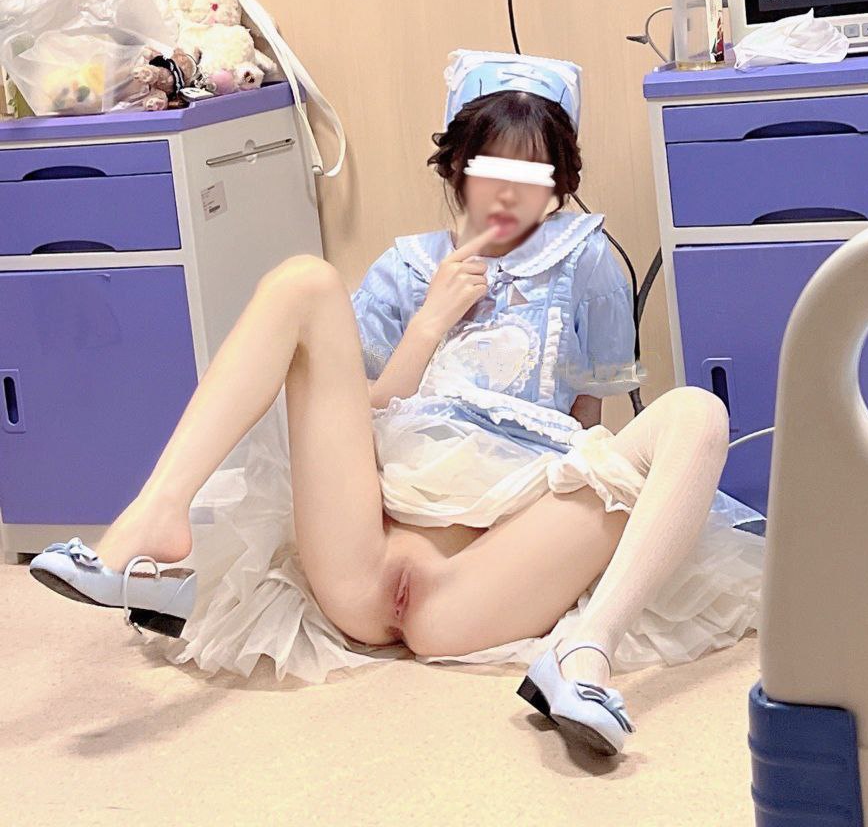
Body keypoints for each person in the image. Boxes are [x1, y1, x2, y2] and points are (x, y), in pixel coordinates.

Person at [30, 48, 764, 756]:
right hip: (361, 564)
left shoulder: (587, 261)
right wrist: (429, 324)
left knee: (697, 412)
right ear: (456, 167)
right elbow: (360, 412)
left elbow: (586, 432)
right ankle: (151, 521)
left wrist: (565, 554)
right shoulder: (407, 269)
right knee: (302, 279)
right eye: (490, 167)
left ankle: (583, 655)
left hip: (479, 586)